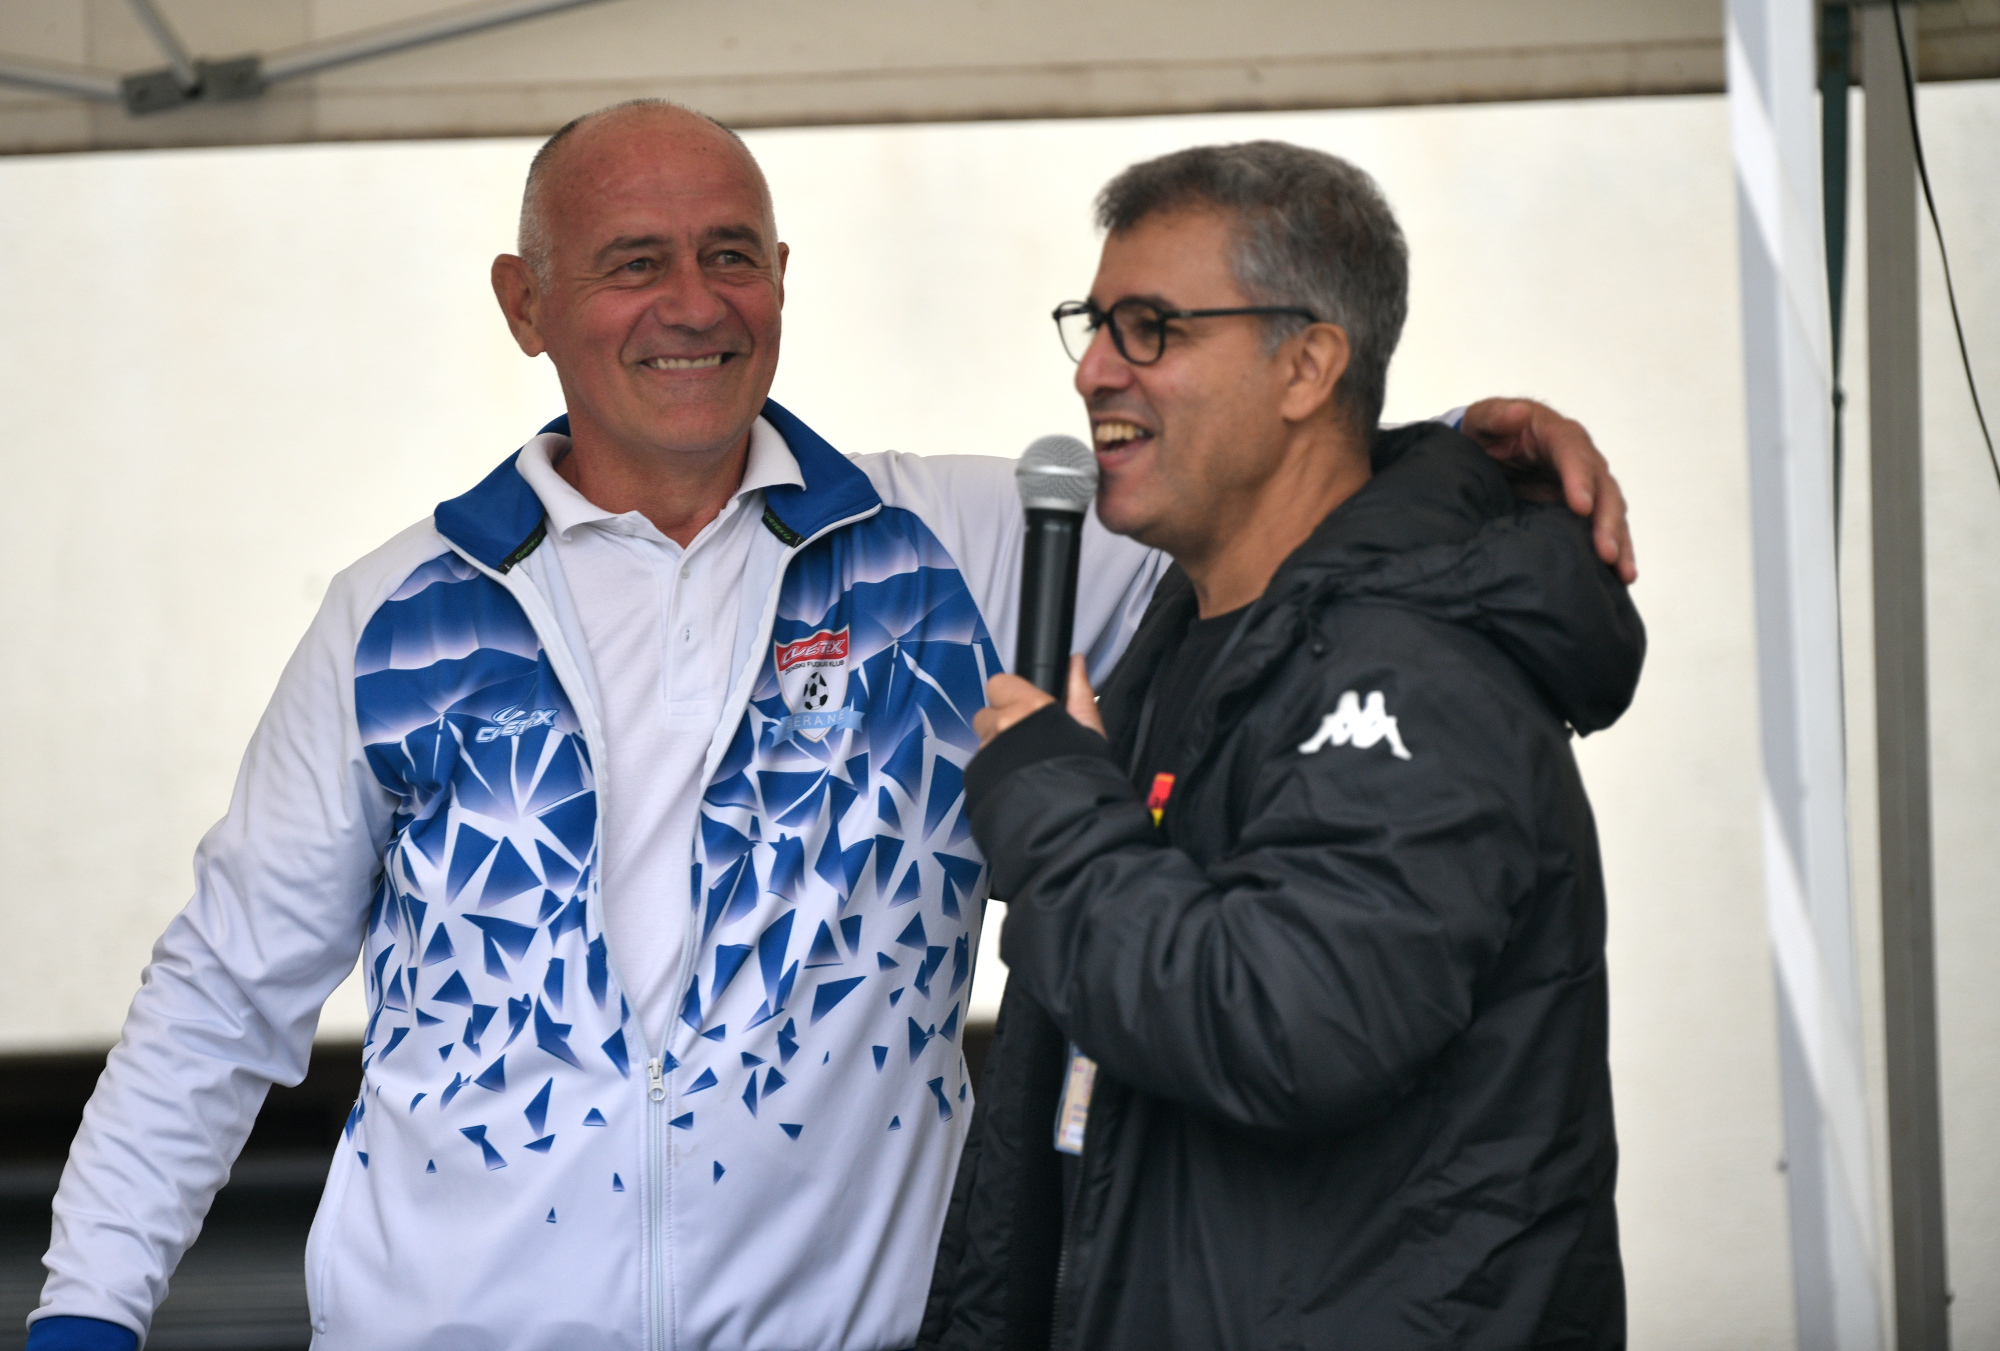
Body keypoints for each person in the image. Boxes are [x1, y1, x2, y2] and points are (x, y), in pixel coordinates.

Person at [29, 104, 1632, 1351]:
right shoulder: (398, 615)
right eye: (634, 261)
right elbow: (222, 996)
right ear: (527, 303)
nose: (694, 303)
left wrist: (1461, 453)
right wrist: (90, 1307)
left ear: (784, 280)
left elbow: (1279, 496)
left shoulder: (977, 549)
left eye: (732, 253)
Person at [920, 142, 1642, 1350]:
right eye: (1093, 326)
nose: (1094, 369)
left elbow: (1289, 1024)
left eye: (1150, 327)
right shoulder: (1185, 637)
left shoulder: (1414, 672)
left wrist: (1055, 814)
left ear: (1306, 364)